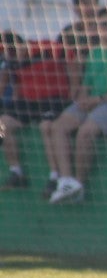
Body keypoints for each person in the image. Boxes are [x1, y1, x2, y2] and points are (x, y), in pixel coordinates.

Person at [42, 7, 107, 204]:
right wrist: (80, 98)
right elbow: (86, 85)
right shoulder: (95, 53)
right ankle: (65, 180)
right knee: (57, 127)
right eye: (106, 25)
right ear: (97, 28)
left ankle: (78, 186)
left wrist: (99, 100)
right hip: (92, 103)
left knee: (85, 132)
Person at [0, 31, 72, 191]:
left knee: (46, 127)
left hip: (52, 99)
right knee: (2, 125)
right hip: (28, 103)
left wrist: (72, 93)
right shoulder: (11, 62)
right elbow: (15, 85)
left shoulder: (46, 47)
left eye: (10, 52)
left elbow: (73, 60)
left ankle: (55, 176)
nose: (8, 57)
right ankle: (16, 172)